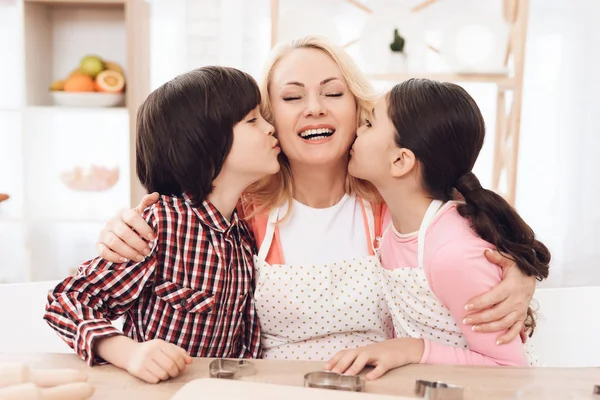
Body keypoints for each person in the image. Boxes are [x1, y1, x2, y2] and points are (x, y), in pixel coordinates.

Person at [93, 36, 538, 360]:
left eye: (332, 92)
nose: (314, 108)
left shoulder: (394, 201)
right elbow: (170, 229)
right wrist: (117, 231)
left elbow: (478, 243)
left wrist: (523, 274)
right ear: (266, 120)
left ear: (358, 108)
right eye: (291, 96)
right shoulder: (240, 210)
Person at [43, 66, 280, 383]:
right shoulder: (161, 223)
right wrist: (129, 353)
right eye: (253, 120)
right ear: (205, 145)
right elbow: (67, 302)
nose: (270, 128)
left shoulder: (243, 234)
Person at [324, 79, 550, 379]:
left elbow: (509, 371)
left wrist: (413, 350)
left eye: (368, 124)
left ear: (400, 160)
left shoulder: (453, 254)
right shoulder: (395, 220)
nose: (356, 129)